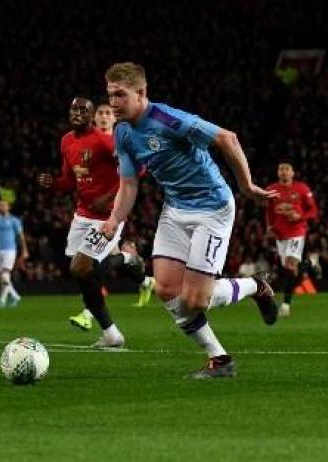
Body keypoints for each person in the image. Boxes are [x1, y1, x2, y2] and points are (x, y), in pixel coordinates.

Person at [102, 62, 279, 378]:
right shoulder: (124, 132)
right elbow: (129, 184)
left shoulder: (169, 119)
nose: (113, 103)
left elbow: (228, 138)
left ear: (141, 93)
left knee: (196, 300)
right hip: (176, 210)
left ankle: (256, 286)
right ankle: (220, 360)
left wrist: (246, 186)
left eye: (120, 95)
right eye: (110, 95)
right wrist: (115, 219)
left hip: (213, 209)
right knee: (167, 290)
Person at [38, 97, 140, 349]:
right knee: (82, 275)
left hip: (107, 218)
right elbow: (70, 181)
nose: (78, 113)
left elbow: (136, 169)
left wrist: (109, 197)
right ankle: (111, 334)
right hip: (82, 216)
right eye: (74, 108)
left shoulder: (104, 141)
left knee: (81, 268)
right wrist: (55, 183)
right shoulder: (66, 141)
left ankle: (127, 259)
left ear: (92, 116)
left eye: (84, 110)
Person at [265, 161, 318, 316]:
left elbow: (313, 211)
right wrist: (269, 226)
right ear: (278, 172)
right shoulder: (271, 189)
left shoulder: (302, 188)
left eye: (287, 169)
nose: (284, 172)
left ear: (293, 173)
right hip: (280, 233)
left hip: (297, 231)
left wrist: (299, 215)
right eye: (281, 169)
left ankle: (286, 305)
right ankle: (308, 264)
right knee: (290, 269)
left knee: (289, 264)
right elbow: (269, 211)